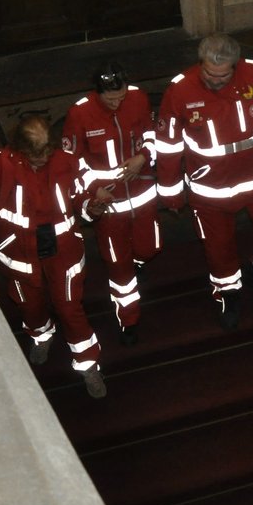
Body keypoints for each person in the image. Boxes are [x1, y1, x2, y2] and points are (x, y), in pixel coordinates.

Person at [155, 34, 253, 330]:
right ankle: (228, 292)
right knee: (219, 247)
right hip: (209, 189)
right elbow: (167, 146)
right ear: (200, 63)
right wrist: (171, 193)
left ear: (236, 65)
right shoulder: (179, 91)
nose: (215, 82)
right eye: (208, 74)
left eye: (223, 75)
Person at [0, 113, 107, 398]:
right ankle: (40, 336)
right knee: (29, 305)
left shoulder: (68, 160)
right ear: (19, 148)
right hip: (17, 250)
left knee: (69, 308)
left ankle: (89, 365)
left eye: (46, 151)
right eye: (35, 154)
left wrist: (92, 206)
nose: (42, 158)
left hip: (63, 247)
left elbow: (81, 197)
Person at [61, 61, 161, 346]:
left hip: (143, 195)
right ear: (98, 93)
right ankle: (128, 319)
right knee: (120, 268)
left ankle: (138, 262)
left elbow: (152, 134)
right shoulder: (79, 113)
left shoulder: (139, 98)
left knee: (149, 248)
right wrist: (94, 192)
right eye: (111, 98)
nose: (117, 103)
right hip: (109, 207)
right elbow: (71, 162)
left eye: (121, 97)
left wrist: (143, 155)